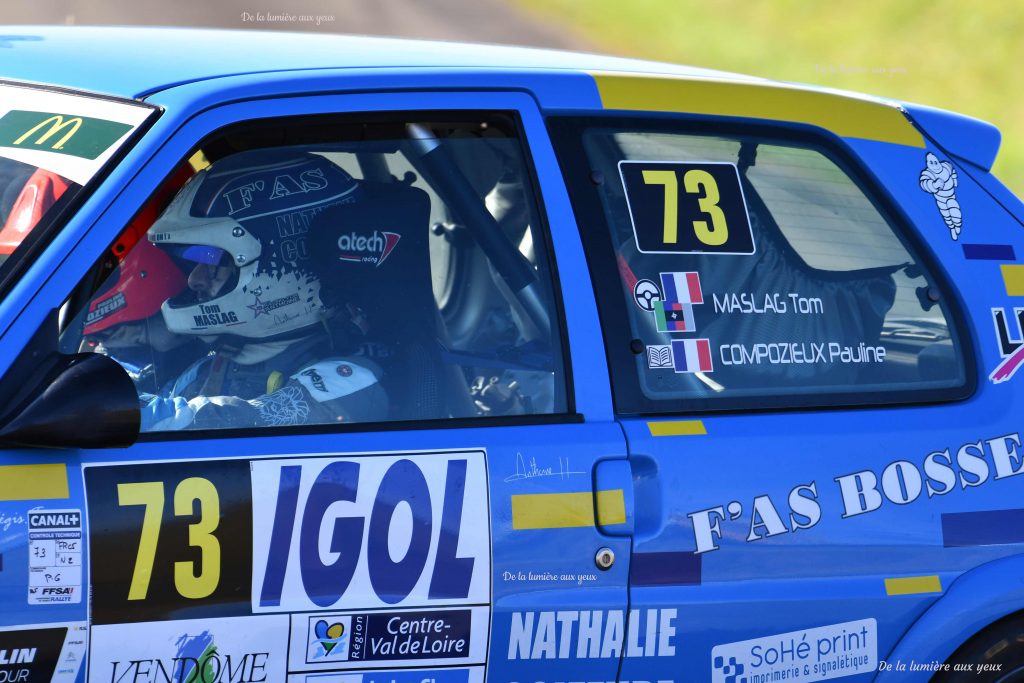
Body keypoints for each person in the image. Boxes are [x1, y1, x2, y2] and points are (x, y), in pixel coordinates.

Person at [142, 148, 387, 431]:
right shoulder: (214, 367)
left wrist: (135, 418)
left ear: (285, 265)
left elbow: (235, 423)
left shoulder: (351, 382)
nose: (194, 280)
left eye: (214, 262)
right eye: (194, 262)